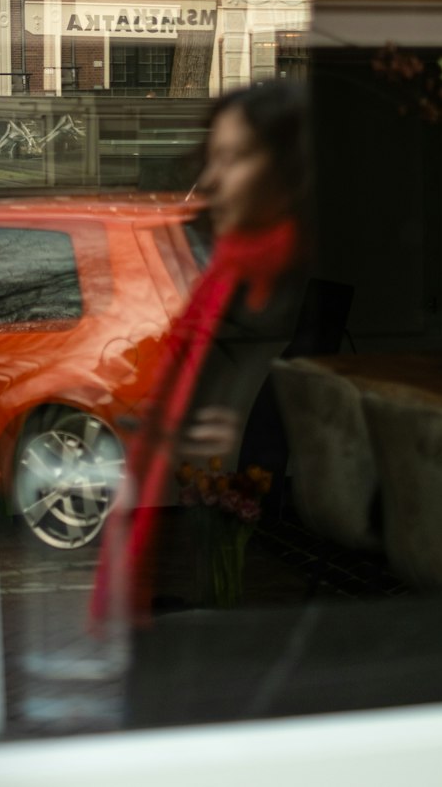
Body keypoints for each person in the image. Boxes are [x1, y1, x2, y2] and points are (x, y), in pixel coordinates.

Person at [92, 81, 310, 622]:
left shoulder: (272, 276)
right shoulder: (227, 267)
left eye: (232, 159)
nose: (211, 180)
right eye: (211, 158)